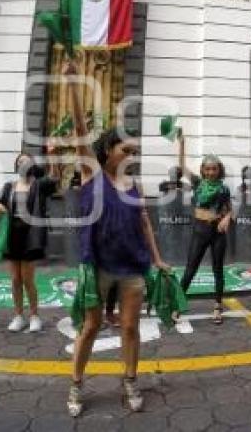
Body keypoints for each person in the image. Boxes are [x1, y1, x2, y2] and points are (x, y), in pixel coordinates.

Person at [64, 61, 169, 416]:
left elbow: (144, 223)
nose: (131, 157)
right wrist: (73, 84)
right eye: (126, 150)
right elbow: (80, 130)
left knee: (130, 327)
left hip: (132, 265)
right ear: (108, 150)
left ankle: (130, 380)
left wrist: (157, 259)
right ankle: (76, 385)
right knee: (91, 326)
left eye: (134, 153)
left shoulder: (134, 185)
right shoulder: (90, 173)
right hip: (98, 265)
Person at [0, 152, 58, 333]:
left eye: (27, 162)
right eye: (20, 162)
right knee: (15, 279)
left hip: (31, 236)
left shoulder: (39, 185)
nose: (23, 165)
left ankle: (35, 316)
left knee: (28, 279)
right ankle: (18, 316)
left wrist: (52, 156)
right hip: (13, 235)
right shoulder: (9, 187)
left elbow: (54, 179)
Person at [177, 133, 232, 324]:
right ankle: (177, 305)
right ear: (203, 170)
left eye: (214, 169)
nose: (210, 172)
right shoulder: (198, 183)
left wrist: (227, 218)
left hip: (218, 232)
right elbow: (182, 167)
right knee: (190, 269)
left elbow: (230, 210)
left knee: (218, 270)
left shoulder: (224, 189)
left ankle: (217, 307)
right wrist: (182, 144)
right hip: (200, 231)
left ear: (219, 169)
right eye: (207, 169)